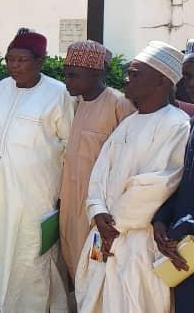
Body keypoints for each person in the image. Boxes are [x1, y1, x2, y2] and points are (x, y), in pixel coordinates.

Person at [75, 41, 189, 313]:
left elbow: (158, 184)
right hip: (101, 233)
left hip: (138, 240)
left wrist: (116, 226)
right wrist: (97, 211)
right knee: (94, 297)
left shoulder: (177, 124)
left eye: (135, 74)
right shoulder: (128, 122)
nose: (126, 79)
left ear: (161, 81)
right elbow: (100, 173)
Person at [0, 31, 74, 313]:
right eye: (10, 59)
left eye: (21, 60)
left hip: (36, 193)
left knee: (32, 253)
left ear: (40, 61)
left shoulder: (58, 93)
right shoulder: (1, 88)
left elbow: (69, 144)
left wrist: (62, 193)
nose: (13, 65)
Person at [59, 40, 135, 281]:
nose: (68, 82)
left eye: (74, 75)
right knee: (72, 257)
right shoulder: (76, 103)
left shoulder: (120, 104)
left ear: (97, 73)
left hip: (100, 206)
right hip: (71, 200)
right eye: (66, 75)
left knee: (96, 261)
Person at [154, 98, 194, 312]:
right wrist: (161, 219)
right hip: (185, 249)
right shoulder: (192, 125)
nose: (190, 84)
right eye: (187, 77)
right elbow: (183, 184)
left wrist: (186, 225)